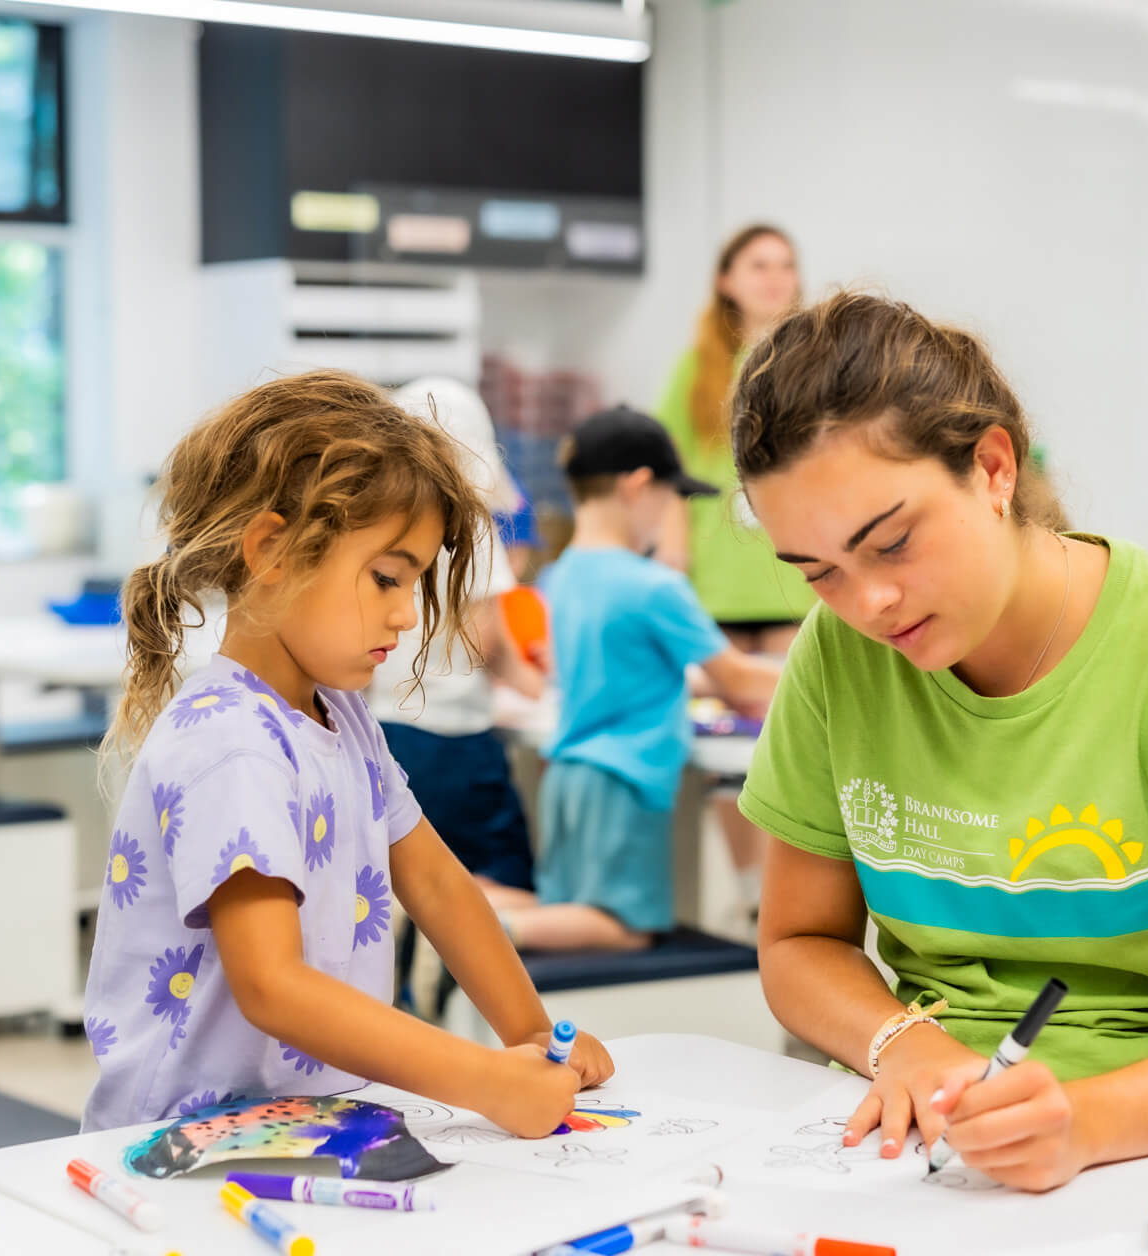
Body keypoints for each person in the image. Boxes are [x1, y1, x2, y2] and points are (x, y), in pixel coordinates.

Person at [730, 292, 1148, 1192]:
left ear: (993, 467)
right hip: (924, 1138)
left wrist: (1087, 1122)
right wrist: (901, 1041)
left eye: (893, 543)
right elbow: (798, 942)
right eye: (819, 571)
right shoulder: (837, 658)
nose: (865, 603)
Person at [80, 370, 610, 1134]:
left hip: (299, 1120)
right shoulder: (232, 742)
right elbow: (272, 986)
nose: (404, 615)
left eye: (416, 583)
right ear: (271, 550)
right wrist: (484, 1080)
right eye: (387, 578)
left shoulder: (342, 718)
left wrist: (530, 1036)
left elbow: (436, 882)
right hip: (179, 1140)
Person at [481, 407, 781, 952]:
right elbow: (736, 679)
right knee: (627, 928)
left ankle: (462, 910)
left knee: (567, 909)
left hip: (567, 774)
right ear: (639, 486)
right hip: (626, 782)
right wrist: (812, 680)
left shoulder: (562, 574)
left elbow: (630, 670)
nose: (670, 516)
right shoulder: (653, 587)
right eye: (672, 502)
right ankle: (487, 931)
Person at [654, 224, 811, 908]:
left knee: (790, 741)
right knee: (721, 752)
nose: (774, 278)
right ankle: (750, 889)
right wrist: (674, 560)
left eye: (785, 266)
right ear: (727, 280)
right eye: (758, 265)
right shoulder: (698, 370)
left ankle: (786, 889)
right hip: (717, 584)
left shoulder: (808, 363)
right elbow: (667, 473)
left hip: (791, 577)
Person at [370, 377, 541, 896]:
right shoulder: (469, 526)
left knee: (406, 884)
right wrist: (547, 696)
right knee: (494, 877)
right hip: (454, 740)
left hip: (386, 730)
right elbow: (483, 643)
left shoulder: (380, 526)